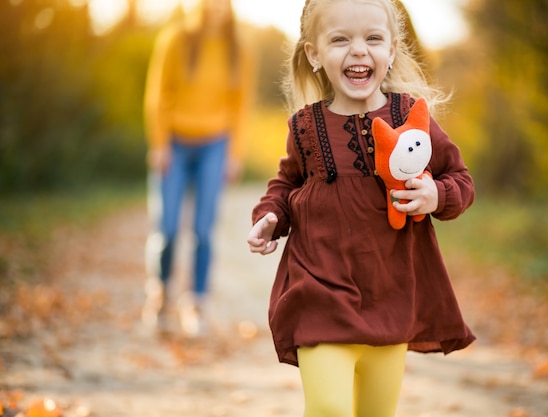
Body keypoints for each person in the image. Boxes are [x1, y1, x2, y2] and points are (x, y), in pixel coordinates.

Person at [246, 0, 475, 416]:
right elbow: (287, 183)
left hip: (391, 296)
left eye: (372, 38)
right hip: (320, 292)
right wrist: (270, 217)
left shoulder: (413, 120)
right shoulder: (304, 127)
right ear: (314, 53)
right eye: (340, 39)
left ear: (391, 50)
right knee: (329, 408)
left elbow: (460, 179)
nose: (358, 50)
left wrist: (435, 195)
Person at [142, 0, 254, 337]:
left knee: (204, 230)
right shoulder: (176, 38)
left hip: (214, 145)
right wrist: (159, 144)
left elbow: (241, 103)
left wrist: (234, 153)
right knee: (168, 226)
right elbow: (157, 94)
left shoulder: (239, 47)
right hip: (175, 141)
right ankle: (160, 294)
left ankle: (197, 302)